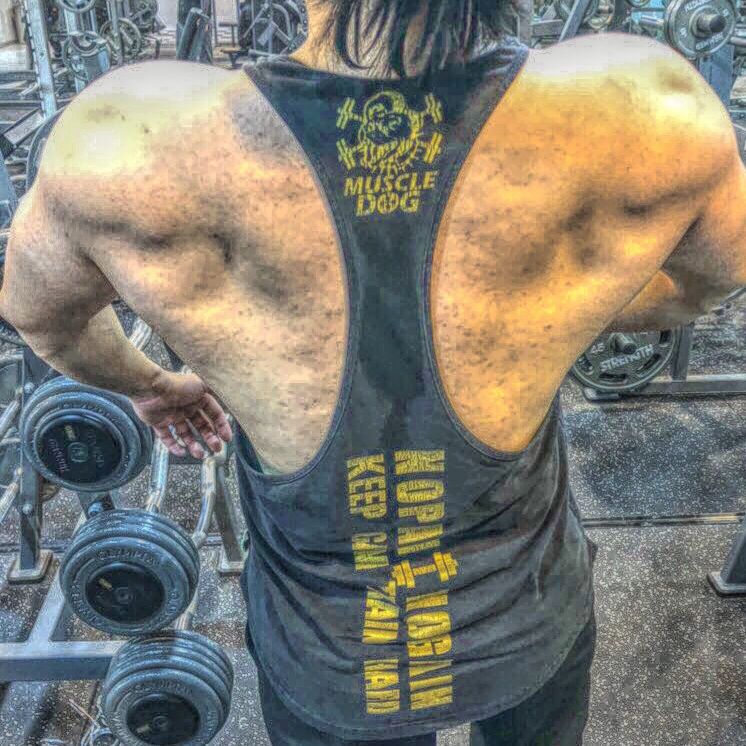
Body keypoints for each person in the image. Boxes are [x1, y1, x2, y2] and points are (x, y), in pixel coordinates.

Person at [1, 1, 745, 743]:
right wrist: (553, 313)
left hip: (331, 658)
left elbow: (42, 318)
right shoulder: (646, 108)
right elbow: (712, 280)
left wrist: (156, 388)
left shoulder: (127, 141)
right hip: (530, 618)